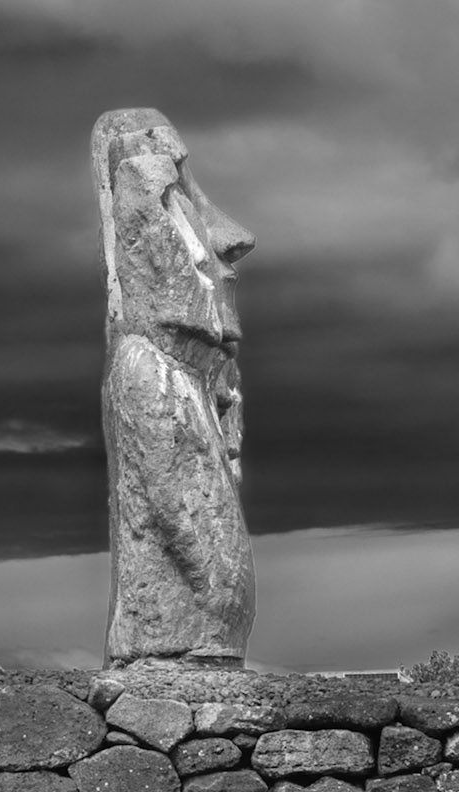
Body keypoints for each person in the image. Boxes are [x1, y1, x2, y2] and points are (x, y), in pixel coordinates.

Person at [92, 109, 257, 662]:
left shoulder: (188, 377)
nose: (232, 241)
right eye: (177, 199)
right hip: (175, 654)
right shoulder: (147, 369)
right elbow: (207, 564)